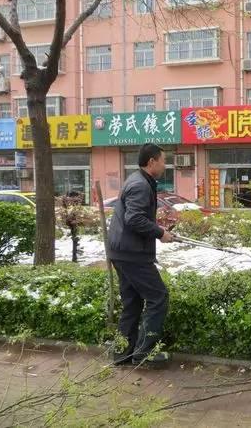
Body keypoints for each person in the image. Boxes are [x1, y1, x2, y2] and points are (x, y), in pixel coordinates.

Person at [108, 143, 175, 368]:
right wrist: (159, 233)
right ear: (152, 162)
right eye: (163, 161)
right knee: (158, 297)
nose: (165, 166)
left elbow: (136, 216)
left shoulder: (137, 180)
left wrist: (159, 228)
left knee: (133, 303)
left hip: (123, 251)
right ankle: (144, 352)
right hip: (132, 254)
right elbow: (134, 219)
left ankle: (123, 354)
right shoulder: (140, 185)